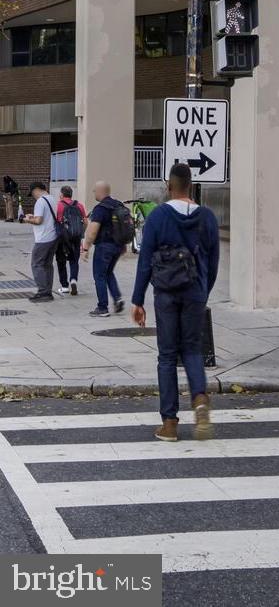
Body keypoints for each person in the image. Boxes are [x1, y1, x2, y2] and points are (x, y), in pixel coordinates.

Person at [132, 163, 220, 443]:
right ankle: (200, 398)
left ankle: (169, 423)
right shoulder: (207, 217)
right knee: (192, 349)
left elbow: (145, 261)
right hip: (195, 292)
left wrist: (137, 300)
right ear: (191, 186)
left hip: (166, 294)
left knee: (167, 356)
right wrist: (204, 290)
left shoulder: (157, 217)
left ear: (169, 187)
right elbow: (214, 262)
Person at [81, 181, 126, 317]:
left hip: (104, 246)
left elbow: (93, 231)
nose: (94, 192)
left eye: (95, 190)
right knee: (108, 272)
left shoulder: (101, 208)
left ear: (101, 192)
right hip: (117, 246)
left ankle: (102, 307)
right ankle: (117, 299)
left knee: (99, 275)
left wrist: (86, 248)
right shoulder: (118, 205)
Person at [23, 181, 60, 302]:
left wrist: (28, 219)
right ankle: (48, 291)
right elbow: (47, 218)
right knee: (47, 265)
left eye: (33, 193)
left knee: (37, 264)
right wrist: (33, 217)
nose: (33, 196)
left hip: (43, 238)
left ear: (37, 190)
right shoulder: (52, 199)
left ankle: (43, 292)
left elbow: (39, 221)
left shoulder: (40, 201)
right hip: (54, 237)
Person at [55, 186, 87, 295]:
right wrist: (81, 233)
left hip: (63, 237)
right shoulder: (79, 205)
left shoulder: (59, 205)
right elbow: (85, 221)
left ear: (62, 195)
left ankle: (64, 286)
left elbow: (57, 221)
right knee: (74, 260)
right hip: (76, 237)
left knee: (61, 260)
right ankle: (73, 279)